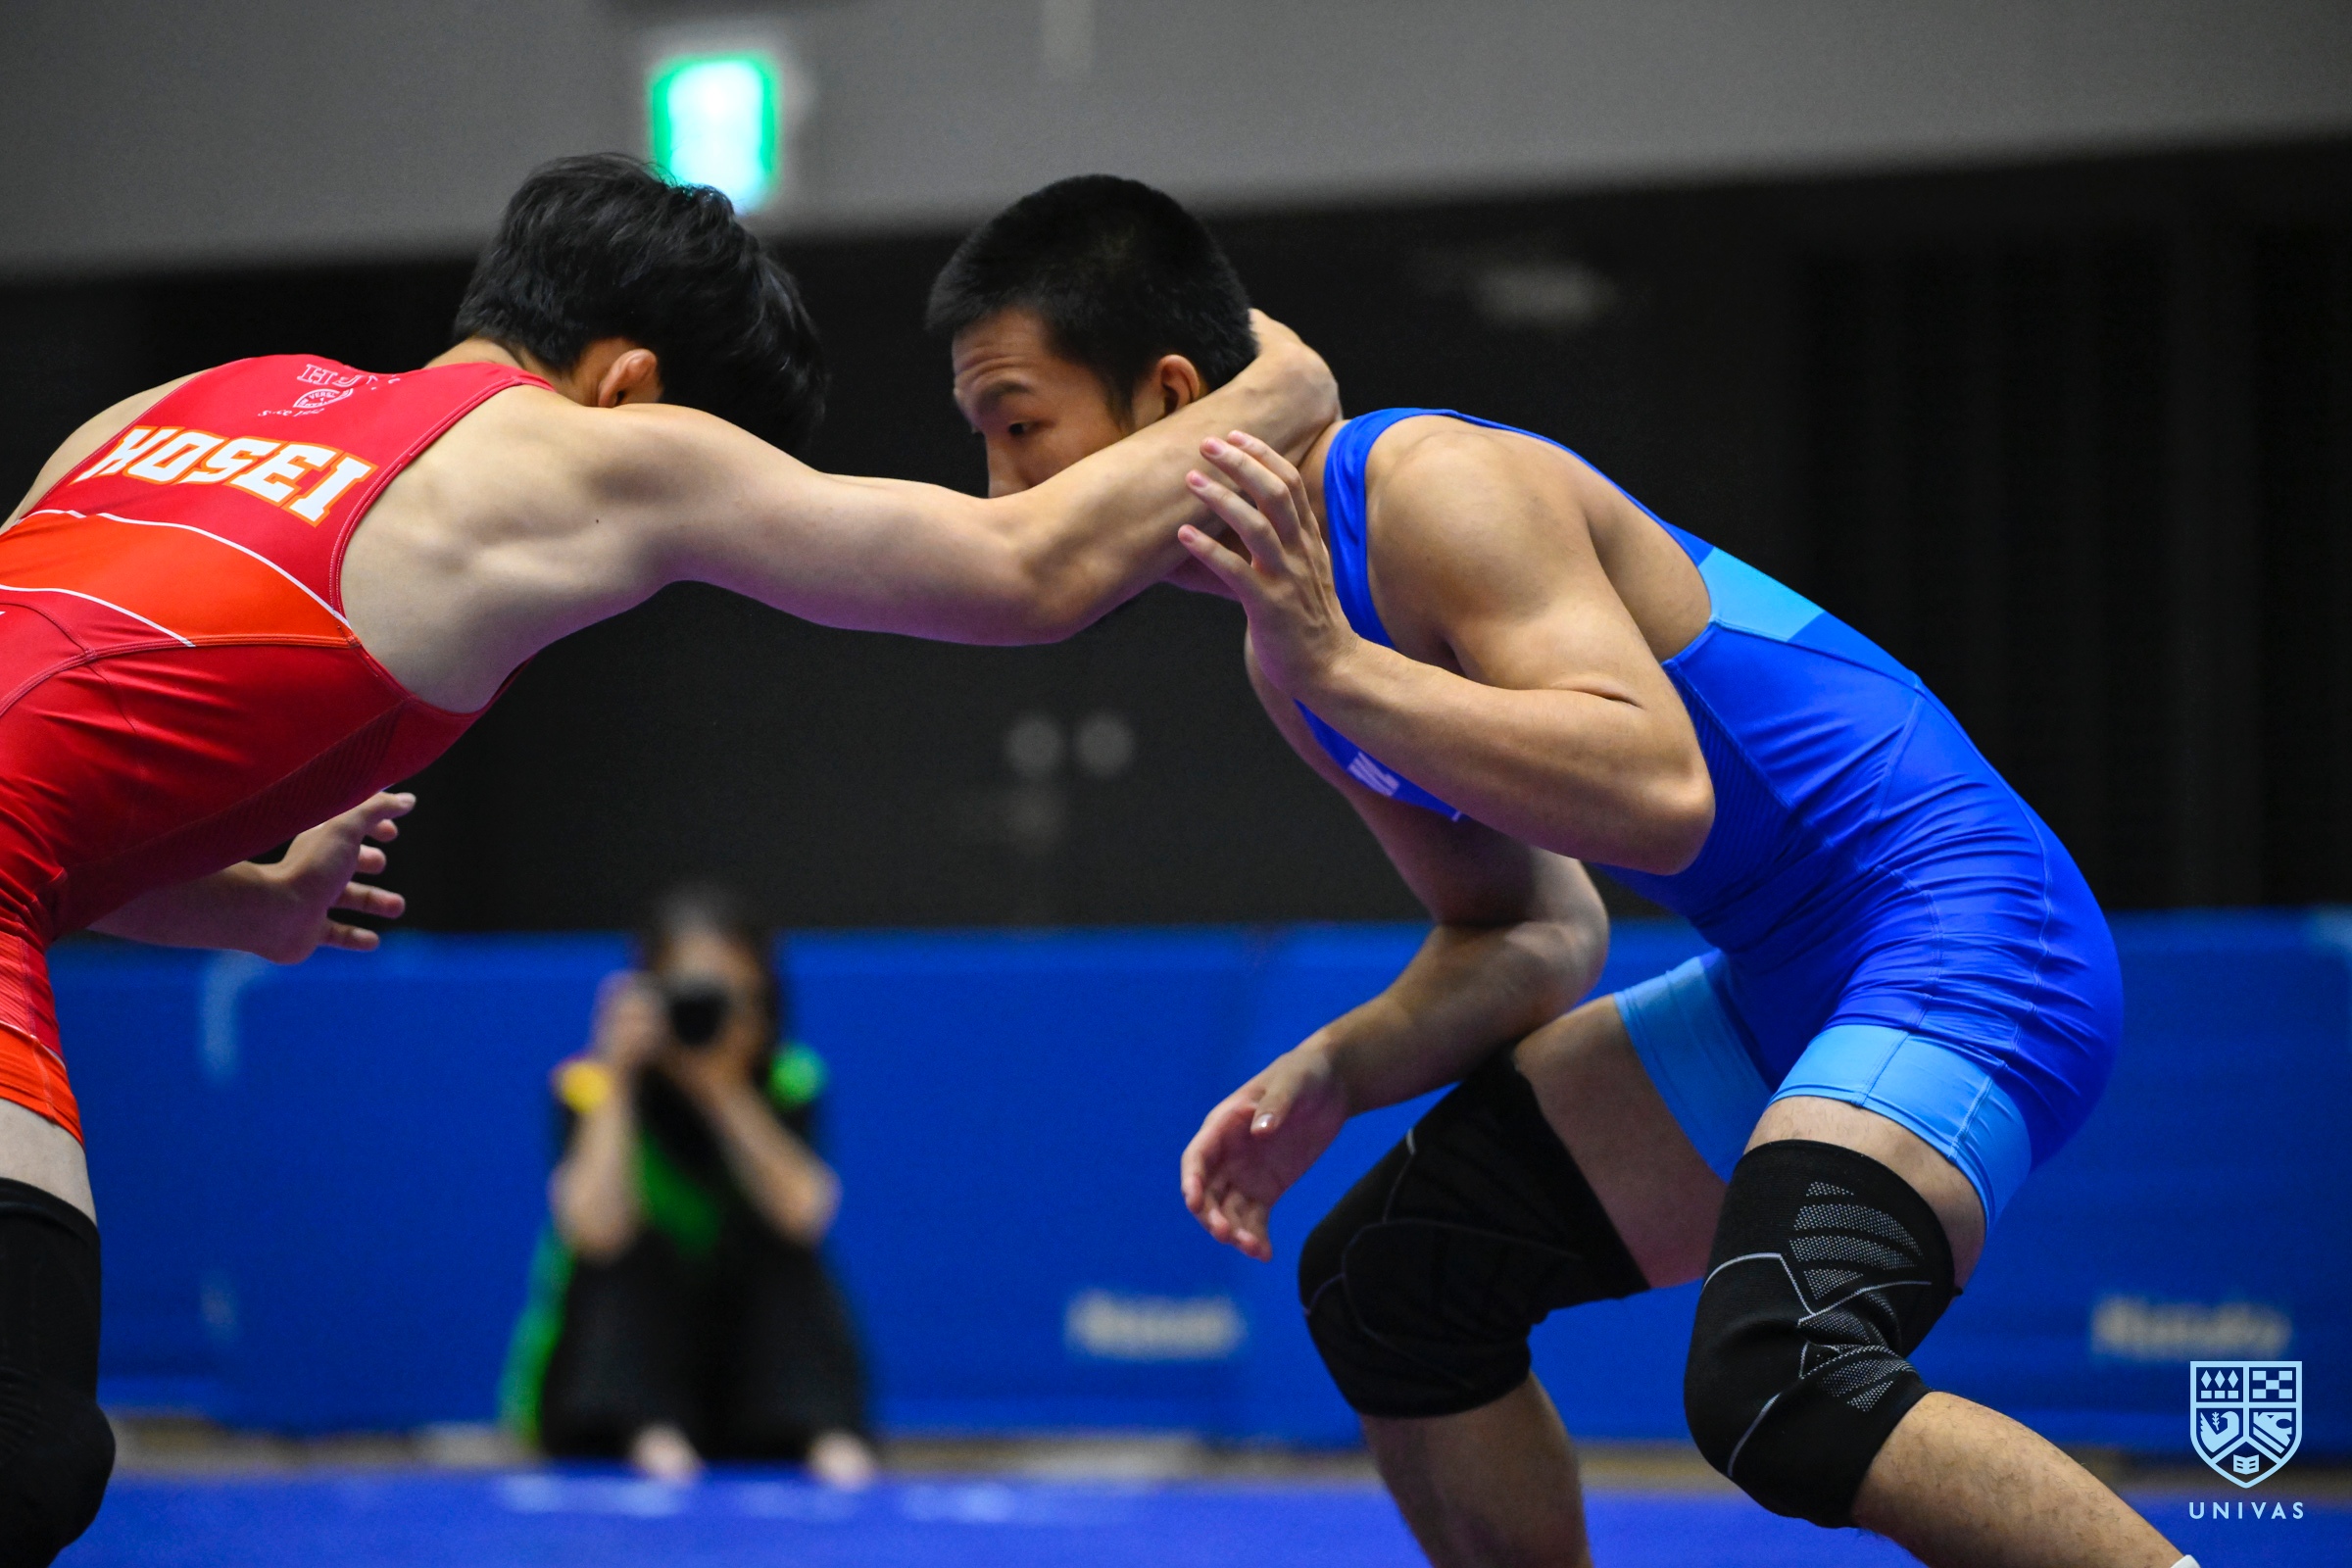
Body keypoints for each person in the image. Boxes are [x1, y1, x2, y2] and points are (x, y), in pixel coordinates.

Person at [0, 152, 1335, 1562]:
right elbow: (1027, 571)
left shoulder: (176, 404)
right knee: (23, 1452)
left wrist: (247, 908)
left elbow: (42, 784)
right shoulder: (597, 452)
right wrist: (1282, 387)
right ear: (632, 384)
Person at [926, 174, 2191, 1568]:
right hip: (1791, 980)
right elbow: (1529, 928)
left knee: (1790, 1377)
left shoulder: (1430, 488)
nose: (1003, 494)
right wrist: (1338, 1070)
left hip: (1973, 937)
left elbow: (1657, 788)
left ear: (1170, 398)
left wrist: (1343, 669)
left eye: (1020, 429)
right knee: (1393, 1282)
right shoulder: (1288, 652)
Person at [503, 885, 873, 1485]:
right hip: (609, 1378)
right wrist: (620, 1076)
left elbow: (806, 1213)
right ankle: (645, 1431)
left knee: (779, 1251)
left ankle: (821, 1432)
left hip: (747, 1390)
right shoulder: (589, 1085)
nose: (707, 1013)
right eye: (689, 994)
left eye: (729, 995)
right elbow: (594, 1232)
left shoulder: (788, 1079)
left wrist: (720, 1088)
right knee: (636, 1253)